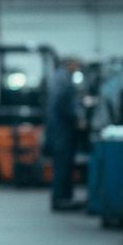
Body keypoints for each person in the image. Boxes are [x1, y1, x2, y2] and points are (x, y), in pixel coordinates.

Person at [45, 59, 80, 210]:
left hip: (59, 128)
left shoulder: (59, 78)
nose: (77, 69)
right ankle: (60, 199)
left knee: (62, 165)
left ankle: (63, 197)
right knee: (62, 165)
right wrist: (77, 118)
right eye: (76, 65)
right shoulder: (63, 80)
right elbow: (63, 104)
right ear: (69, 64)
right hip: (62, 129)